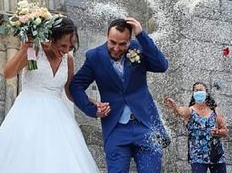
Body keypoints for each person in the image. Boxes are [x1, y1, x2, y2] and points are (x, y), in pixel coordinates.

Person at [0, 17, 99, 172]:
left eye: (71, 46)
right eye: (63, 45)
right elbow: (9, 73)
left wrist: (89, 101)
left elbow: (69, 91)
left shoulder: (68, 59)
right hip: (28, 112)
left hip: (58, 116)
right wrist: (24, 49)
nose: (66, 49)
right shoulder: (34, 51)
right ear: (52, 38)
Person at [70, 17, 170, 173]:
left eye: (122, 44)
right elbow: (76, 85)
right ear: (107, 36)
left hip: (145, 125)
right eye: (112, 42)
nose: (116, 48)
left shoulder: (139, 47)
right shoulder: (94, 57)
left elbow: (162, 65)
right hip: (115, 128)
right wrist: (92, 110)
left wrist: (141, 34)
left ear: (129, 40)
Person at [164, 82, 228, 173]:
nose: (198, 92)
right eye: (196, 90)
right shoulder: (190, 111)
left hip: (216, 154)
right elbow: (180, 111)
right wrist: (174, 106)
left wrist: (218, 132)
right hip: (197, 156)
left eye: (200, 90)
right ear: (193, 94)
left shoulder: (215, 111)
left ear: (206, 92)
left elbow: (225, 131)